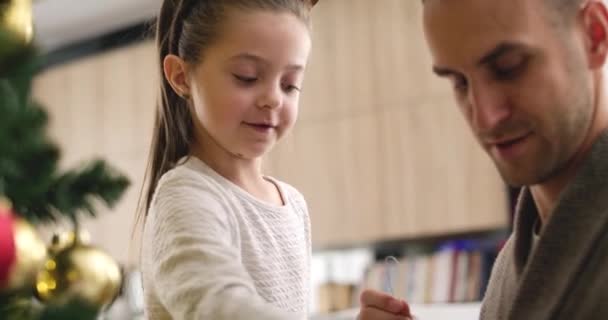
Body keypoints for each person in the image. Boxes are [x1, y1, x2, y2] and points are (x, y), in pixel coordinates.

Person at [358, 0, 608, 319]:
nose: (485, 117)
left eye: (509, 68)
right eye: (460, 82)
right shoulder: (511, 265)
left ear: (594, 35)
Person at [138, 1, 318, 319]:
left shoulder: (293, 205)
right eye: (247, 77)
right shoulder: (184, 196)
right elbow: (220, 306)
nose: (274, 98)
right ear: (181, 76)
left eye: (290, 84)